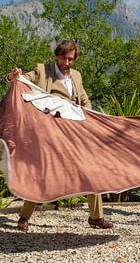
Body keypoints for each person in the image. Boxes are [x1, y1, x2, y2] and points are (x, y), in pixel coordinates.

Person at [5, 40, 113, 231]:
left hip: (73, 132)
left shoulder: (76, 76)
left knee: (90, 169)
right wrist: (11, 77)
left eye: (71, 59)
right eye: (64, 58)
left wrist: (86, 116)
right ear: (56, 56)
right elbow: (20, 79)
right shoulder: (42, 70)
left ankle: (96, 217)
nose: (67, 62)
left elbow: (85, 100)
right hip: (49, 132)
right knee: (41, 171)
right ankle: (24, 217)